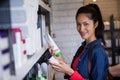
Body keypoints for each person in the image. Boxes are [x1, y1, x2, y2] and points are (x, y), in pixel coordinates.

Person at [49, 4, 109, 80]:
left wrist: (70, 72)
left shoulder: (98, 52)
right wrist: (60, 59)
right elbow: (75, 73)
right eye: (78, 24)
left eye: (85, 24)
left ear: (95, 24)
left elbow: (73, 74)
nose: (81, 29)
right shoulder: (82, 48)